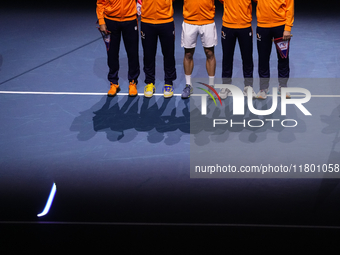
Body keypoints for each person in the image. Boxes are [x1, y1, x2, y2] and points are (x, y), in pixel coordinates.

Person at [96, 0, 140, 97]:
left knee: (132, 52)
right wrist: (101, 20)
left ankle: (133, 82)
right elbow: (100, 3)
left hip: (130, 19)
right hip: (110, 20)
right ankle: (113, 82)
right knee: (112, 53)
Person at [254, 0, 294, 99]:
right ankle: (263, 88)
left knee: (283, 58)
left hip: (280, 26)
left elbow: (290, 7)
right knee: (263, 58)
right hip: (263, 26)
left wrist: (288, 28)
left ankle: (283, 87)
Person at [218, 0, 256, 99]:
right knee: (227, 58)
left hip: (245, 26)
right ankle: (226, 86)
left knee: (247, 58)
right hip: (228, 26)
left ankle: (248, 86)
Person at [181, 0, 217, 99]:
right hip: (189, 21)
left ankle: (211, 86)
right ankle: (188, 85)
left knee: (210, 53)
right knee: (188, 54)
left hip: (208, 21)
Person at [140, 0, 177, 98]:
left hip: (166, 20)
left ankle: (168, 82)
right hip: (147, 20)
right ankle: (149, 82)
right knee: (148, 54)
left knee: (168, 53)